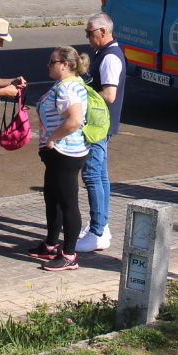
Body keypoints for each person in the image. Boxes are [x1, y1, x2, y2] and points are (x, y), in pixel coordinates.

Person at [29, 46, 90, 271]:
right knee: (52, 198)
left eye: (52, 61)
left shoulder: (68, 88)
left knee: (67, 203)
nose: (48, 65)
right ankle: (51, 244)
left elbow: (74, 120)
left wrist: (53, 139)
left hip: (65, 153)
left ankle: (69, 255)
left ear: (65, 65)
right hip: (60, 152)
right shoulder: (66, 84)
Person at [77, 14, 127, 253]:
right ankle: (101, 225)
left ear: (104, 32)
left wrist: (83, 93)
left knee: (93, 176)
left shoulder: (109, 58)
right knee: (101, 176)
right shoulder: (104, 54)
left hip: (98, 127)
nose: (87, 37)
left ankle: (98, 231)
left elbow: (109, 95)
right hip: (101, 125)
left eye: (90, 33)